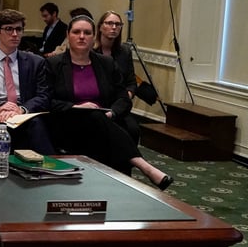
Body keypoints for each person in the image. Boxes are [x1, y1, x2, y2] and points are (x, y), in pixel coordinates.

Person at [46, 16, 171, 190]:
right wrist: (76, 107)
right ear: (68, 35)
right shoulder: (54, 64)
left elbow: (123, 98)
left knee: (102, 120)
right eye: (76, 32)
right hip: (68, 121)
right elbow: (47, 100)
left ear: (93, 36)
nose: (82, 36)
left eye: (87, 33)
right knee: (95, 117)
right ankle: (143, 166)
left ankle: (118, 186)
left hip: (105, 119)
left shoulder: (106, 63)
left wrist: (112, 112)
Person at [0, 9, 54, 154]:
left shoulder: (36, 62)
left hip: (24, 115)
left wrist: (21, 109)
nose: (14, 34)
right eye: (9, 29)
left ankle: (48, 168)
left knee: (36, 125)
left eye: (18, 29)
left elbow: (43, 96)